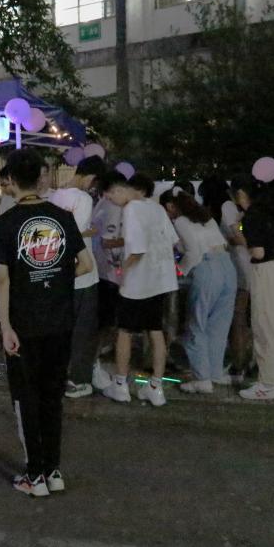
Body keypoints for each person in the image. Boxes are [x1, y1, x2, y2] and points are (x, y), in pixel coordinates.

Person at [0, 148, 92, 497]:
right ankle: (53, 471)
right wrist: (57, 280)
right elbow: (86, 264)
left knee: (26, 399)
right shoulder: (62, 217)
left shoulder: (4, 224)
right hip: (60, 321)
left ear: (12, 180)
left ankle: (35, 476)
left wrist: (5, 326)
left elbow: (2, 279)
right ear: (40, 178)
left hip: (23, 324)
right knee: (52, 397)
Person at [102, 174, 179, 407]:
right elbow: (171, 240)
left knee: (124, 331)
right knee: (155, 331)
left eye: (110, 196)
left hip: (137, 283)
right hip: (160, 280)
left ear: (119, 190)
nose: (112, 201)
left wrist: (121, 271)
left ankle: (120, 385)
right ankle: (156, 387)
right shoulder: (156, 208)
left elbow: (137, 250)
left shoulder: (131, 209)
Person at [233, 178, 274, 401]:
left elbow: (258, 252)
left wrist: (240, 236)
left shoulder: (251, 217)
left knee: (266, 328)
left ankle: (266, 385)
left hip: (268, 272)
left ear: (242, 194)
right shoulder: (271, 211)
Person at [50, 155, 105, 399]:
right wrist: (91, 231)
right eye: (94, 182)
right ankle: (78, 380)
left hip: (59, 271)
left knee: (62, 329)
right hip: (82, 275)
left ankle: (59, 374)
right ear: (91, 177)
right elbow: (76, 234)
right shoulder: (83, 199)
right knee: (83, 331)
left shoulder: (56, 195)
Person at [170, 192, 237, 393]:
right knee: (219, 324)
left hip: (207, 268)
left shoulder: (180, 221)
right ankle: (215, 372)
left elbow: (193, 252)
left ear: (174, 206)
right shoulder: (207, 218)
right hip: (227, 266)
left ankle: (202, 378)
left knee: (196, 324)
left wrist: (178, 271)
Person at [210, 177, 253, 380]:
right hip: (242, 266)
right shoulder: (232, 208)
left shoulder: (227, 207)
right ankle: (244, 361)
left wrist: (236, 240)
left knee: (238, 318)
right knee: (241, 318)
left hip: (240, 267)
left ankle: (239, 364)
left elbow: (237, 234)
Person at [90, 171, 126, 391]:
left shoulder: (102, 204)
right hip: (110, 274)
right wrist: (131, 239)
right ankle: (93, 365)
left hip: (103, 272)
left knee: (104, 324)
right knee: (104, 325)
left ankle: (93, 362)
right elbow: (107, 242)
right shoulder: (112, 207)